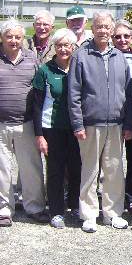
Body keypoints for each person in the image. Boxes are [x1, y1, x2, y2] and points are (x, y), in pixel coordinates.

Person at [68, 11, 132, 233]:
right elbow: (74, 93)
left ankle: (113, 213)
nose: (103, 30)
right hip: (90, 124)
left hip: (116, 124)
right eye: (99, 26)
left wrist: (128, 124)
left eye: (107, 27)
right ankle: (88, 214)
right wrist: (77, 124)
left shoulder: (119, 57)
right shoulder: (81, 55)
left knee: (114, 170)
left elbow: (128, 93)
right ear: (92, 28)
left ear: (112, 29)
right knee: (90, 170)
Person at [0, 19, 48, 227]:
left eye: (18, 37)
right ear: (2, 38)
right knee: (1, 170)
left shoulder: (32, 59)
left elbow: (39, 91)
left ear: (22, 39)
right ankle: (4, 209)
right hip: (0, 124)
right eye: (9, 36)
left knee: (31, 168)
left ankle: (34, 207)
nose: (14, 40)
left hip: (26, 122)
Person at [32, 28, 81, 229]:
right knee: (55, 170)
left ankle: (76, 206)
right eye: (59, 45)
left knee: (77, 168)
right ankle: (56, 211)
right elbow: (36, 104)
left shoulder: (79, 68)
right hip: (52, 127)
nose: (63, 49)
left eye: (66, 45)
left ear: (73, 47)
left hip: (76, 127)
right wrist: (39, 135)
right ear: (54, 47)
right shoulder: (45, 70)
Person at [112, 19, 132, 212]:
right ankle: (111, 194)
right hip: (112, 113)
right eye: (117, 36)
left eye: (126, 36)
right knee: (111, 159)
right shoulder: (108, 56)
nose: (122, 40)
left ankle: (131, 194)